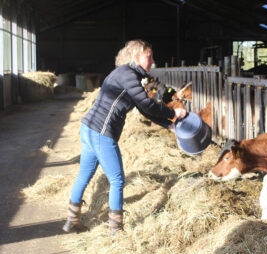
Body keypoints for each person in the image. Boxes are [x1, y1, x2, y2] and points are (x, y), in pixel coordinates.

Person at [62, 39, 186, 235]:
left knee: (84, 176)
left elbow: (143, 108)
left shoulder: (127, 75)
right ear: (136, 56)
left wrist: (168, 124)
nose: (153, 60)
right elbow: (146, 105)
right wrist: (172, 114)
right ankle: (116, 230)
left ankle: (72, 221)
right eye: (149, 56)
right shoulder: (127, 74)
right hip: (101, 133)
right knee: (118, 180)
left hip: (89, 129)